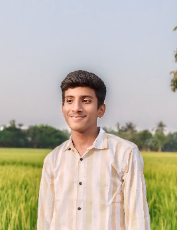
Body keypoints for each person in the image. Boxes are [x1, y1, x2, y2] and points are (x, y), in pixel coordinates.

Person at [37, 70, 151, 230]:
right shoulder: (53, 159)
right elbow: (45, 220)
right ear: (62, 108)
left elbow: (138, 219)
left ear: (101, 110)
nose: (76, 108)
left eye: (86, 100)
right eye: (70, 100)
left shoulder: (125, 153)